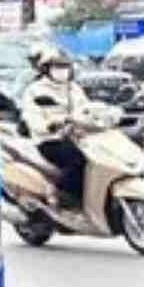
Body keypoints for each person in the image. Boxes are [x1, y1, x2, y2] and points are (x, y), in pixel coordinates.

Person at [22, 47, 91, 202]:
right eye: (57, 67)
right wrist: (50, 125)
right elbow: (32, 118)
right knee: (78, 160)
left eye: (65, 66)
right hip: (50, 140)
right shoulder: (35, 90)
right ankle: (58, 190)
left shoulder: (74, 89)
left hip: (77, 137)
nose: (62, 71)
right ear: (46, 69)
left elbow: (86, 109)